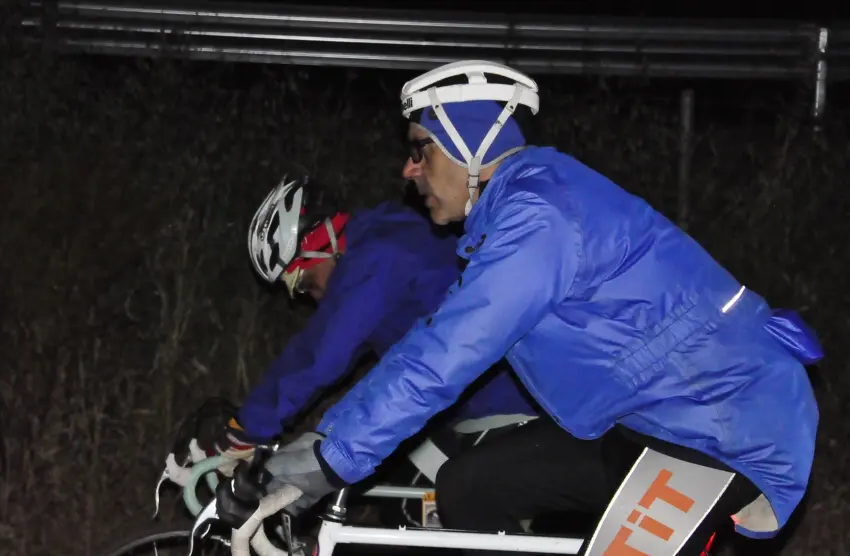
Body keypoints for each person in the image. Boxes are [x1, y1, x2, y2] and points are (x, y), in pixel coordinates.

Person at [216, 61, 824, 555]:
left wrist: (327, 460)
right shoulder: (510, 219)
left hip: (721, 427)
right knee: (468, 487)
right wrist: (327, 440)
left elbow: (444, 359)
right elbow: (429, 341)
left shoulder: (540, 216)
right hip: (643, 422)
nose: (410, 169)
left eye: (421, 149)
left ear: (467, 143)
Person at [192, 173, 537, 477]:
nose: (310, 298)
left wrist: (247, 429)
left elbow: (321, 354)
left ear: (322, 248)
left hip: (506, 402)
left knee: (415, 501)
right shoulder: (385, 237)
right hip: (473, 402)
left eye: (304, 283)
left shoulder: (379, 257)